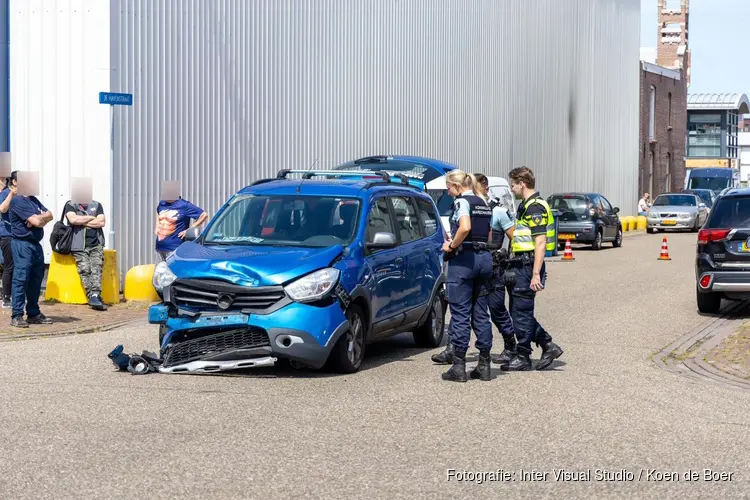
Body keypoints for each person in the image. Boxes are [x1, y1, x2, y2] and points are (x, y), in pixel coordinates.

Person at [503, 166, 563, 371]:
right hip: (520, 263)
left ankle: (524, 356)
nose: (512, 189)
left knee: (521, 312)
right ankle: (547, 345)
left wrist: (535, 273)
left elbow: (540, 242)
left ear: (522, 183)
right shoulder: (526, 205)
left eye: (513, 184)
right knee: (519, 311)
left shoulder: (535, 207)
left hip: (527, 265)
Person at [440, 170, 494, 382]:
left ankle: (459, 366)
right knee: (481, 312)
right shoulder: (482, 202)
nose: (448, 191)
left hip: (464, 261)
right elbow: (488, 234)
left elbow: (465, 227)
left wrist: (451, 245)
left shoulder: (462, 202)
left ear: (456, 185)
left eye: (448, 188)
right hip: (484, 259)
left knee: (460, 313)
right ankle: (484, 363)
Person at [473, 173, 518, 365]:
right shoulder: (468, 209)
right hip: (474, 266)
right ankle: (454, 348)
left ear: (485, 189)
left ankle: (511, 345)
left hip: (495, 267)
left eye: (475, 188)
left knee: (496, 307)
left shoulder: (498, 212)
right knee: (468, 308)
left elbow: (514, 237)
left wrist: (511, 263)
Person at [8, 182, 54, 328]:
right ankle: (17, 315)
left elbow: (50, 215)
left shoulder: (33, 200)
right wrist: (39, 219)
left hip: (35, 244)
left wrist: (41, 219)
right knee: (21, 279)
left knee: (36, 279)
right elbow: (36, 221)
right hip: (22, 244)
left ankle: (33, 313)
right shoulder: (17, 201)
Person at [64, 198, 108, 311]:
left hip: (96, 244)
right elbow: (73, 219)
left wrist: (82, 221)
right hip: (78, 246)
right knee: (85, 270)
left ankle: (95, 296)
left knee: (96, 269)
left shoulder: (97, 204)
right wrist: (92, 218)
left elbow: (101, 222)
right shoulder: (70, 205)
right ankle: (92, 296)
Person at [155, 195, 208, 261]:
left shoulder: (184, 205)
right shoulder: (162, 204)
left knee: (172, 271)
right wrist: (157, 226)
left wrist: (189, 230)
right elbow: (158, 211)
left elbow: (203, 215)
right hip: (160, 247)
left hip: (174, 249)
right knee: (159, 270)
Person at [0, 171, 17, 308]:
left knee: (19, 266)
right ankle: (6, 297)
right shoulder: (6, 194)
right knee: (9, 266)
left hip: (20, 234)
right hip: (7, 234)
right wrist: (11, 194)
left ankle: (17, 295)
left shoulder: (23, 195)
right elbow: (3, 209)